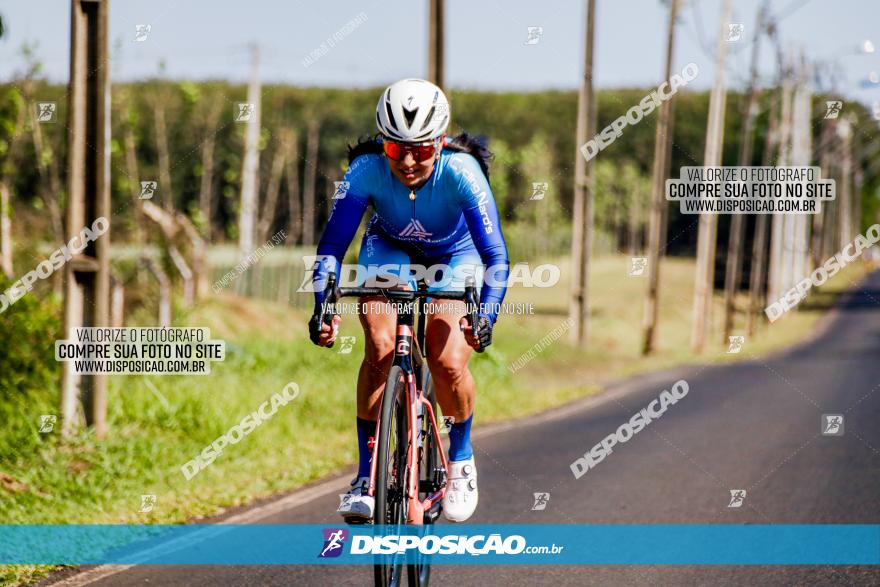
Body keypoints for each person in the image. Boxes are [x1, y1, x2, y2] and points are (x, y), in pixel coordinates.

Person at [308, 78, 509, 523]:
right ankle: (365, 478)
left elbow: (495, 255)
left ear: (441, 142)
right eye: (398, 150)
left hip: (456, 255)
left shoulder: (462, 172)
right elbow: (331, 249)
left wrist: (486, 316)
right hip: (390, 247)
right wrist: (322, 304)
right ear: (384, 145)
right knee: (380, 347)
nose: (411, 161)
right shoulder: (364, 172)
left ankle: (459, 455)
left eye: (422, 148)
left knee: (448, 360)